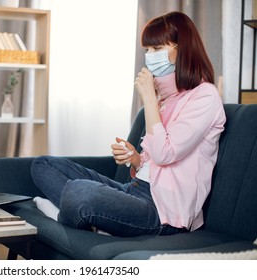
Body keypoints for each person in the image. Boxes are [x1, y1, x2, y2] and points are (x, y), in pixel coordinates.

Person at [30, 11, 226, 237]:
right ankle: (90, 220)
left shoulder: (204, 97)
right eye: (147, 50)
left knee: (79, 192)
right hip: (133, 190)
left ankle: (65, 216)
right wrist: (136, 160)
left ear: (183, 49)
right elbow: (154, 166)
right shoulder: (166, 98)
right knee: (43, 165)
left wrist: (150, 100)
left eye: (157, 49)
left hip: (163, 212)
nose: (149, 56)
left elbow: (164, 155)